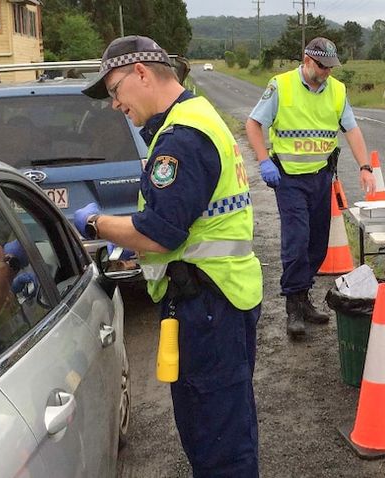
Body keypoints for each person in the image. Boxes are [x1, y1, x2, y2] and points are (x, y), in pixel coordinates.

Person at [76, 35, 263, 477]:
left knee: (217, 441)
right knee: (224, 428)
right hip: (218, 298)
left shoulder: (180, 138)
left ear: (140, 73)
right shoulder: (195, 118)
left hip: (209, 305)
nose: (114, 104)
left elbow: (160, 232)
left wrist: (95, 224)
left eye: (114, 90)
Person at [245, 37, 376, 340]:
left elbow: (352, 130)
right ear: (306, 60)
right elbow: (254, 124)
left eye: (331, 66)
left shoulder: (338, 90)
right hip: (288, 178)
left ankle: (304, 298)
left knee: (317, 243)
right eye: (322, 65)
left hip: (320, 177)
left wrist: (364, 166)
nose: (327, 71)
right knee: (297, 239)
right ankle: (293, 305)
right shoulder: (281, 86)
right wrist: (263, 160)